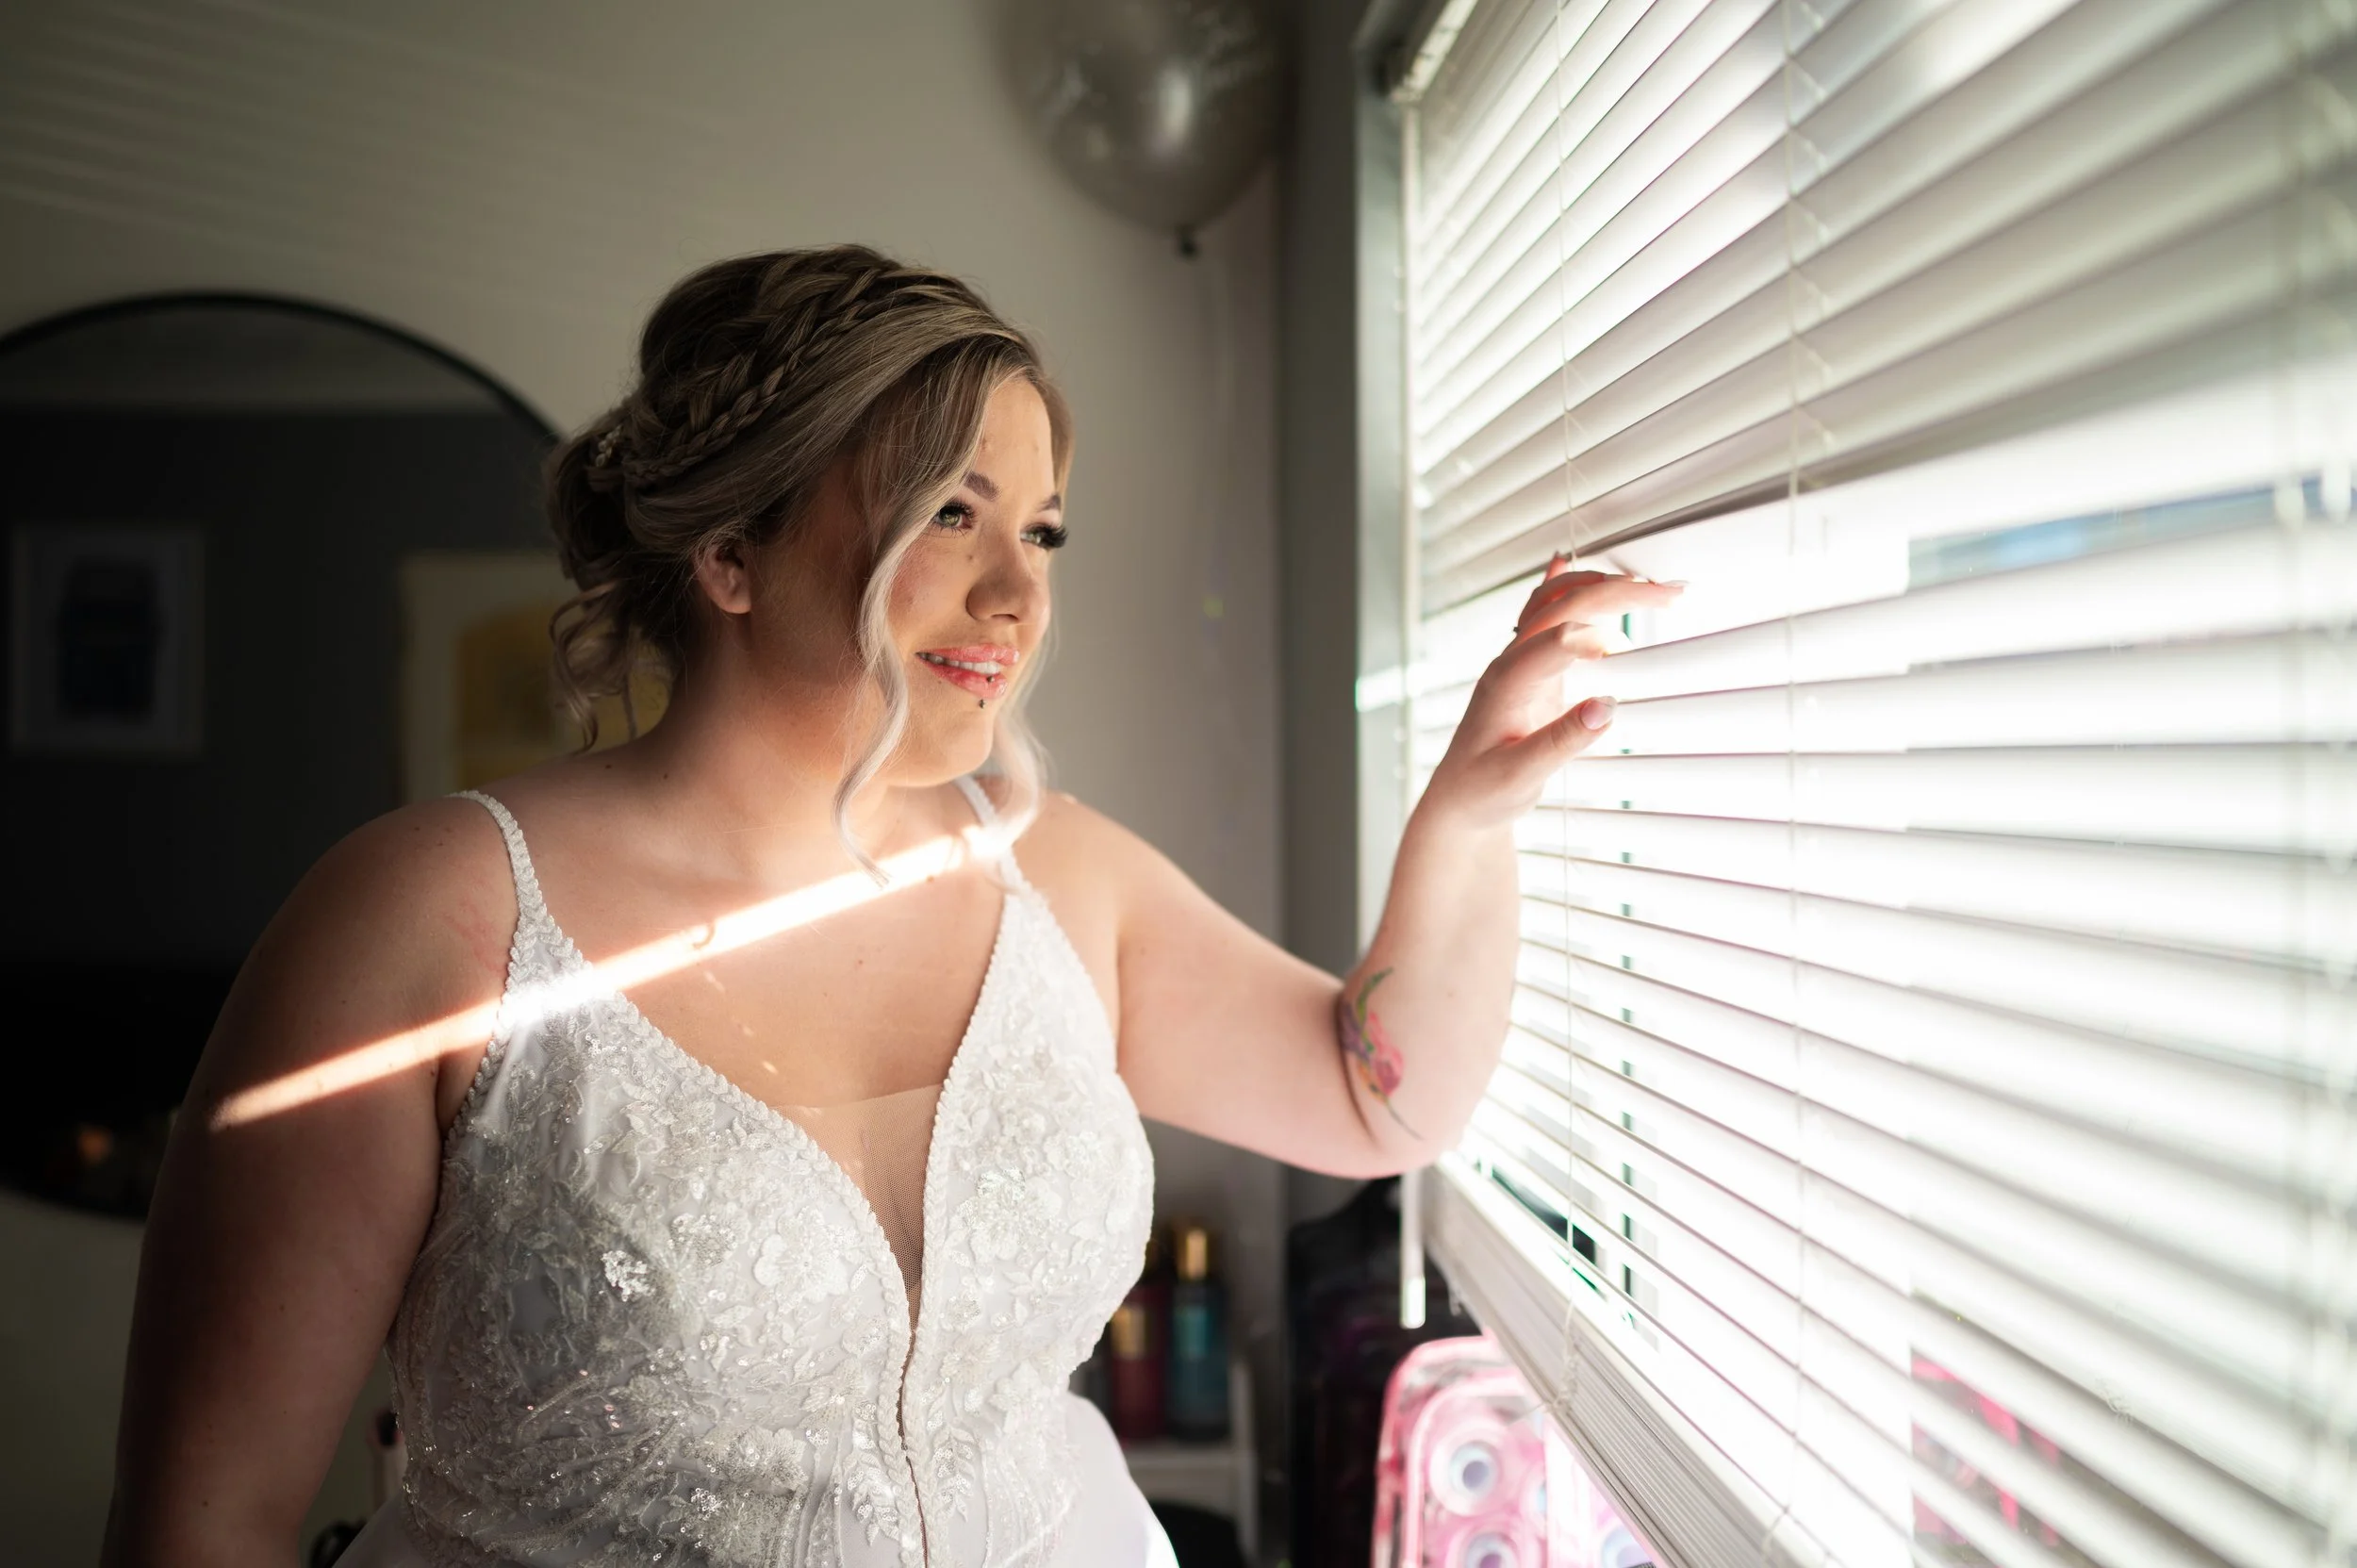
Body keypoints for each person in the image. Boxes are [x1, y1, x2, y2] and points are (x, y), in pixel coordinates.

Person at [101, 245, 1674, 1567]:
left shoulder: (1057, 873)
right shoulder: (427, 921)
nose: (1020, 594)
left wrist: (1467, 817)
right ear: (730, 548)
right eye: (951, 514)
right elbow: (203, 1522)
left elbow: (1375, 1094)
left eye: (1041, 529)